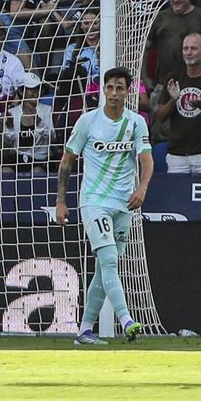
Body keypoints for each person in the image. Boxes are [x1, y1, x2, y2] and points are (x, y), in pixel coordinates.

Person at [55, 66, 154, 346]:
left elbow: (146, 159)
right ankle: (127, 320)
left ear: (127, 91)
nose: (113, 93)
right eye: (109, 87)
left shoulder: (136, 123)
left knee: (104, 269)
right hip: (94, 201)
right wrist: (61, 201)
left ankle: (84, 331)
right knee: (109, 260)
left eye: (119, 88)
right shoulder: (88, 122)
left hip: (124, 204)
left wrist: (142, 187)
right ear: (103, 90)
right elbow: (67, 161)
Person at [153, 32, 201, 172]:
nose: (189, 52)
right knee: (176, 194)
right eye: (185, 48)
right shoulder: (173, 78)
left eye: (194, 48)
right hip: (177, 155)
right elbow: (159, 117)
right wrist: (173, 100)